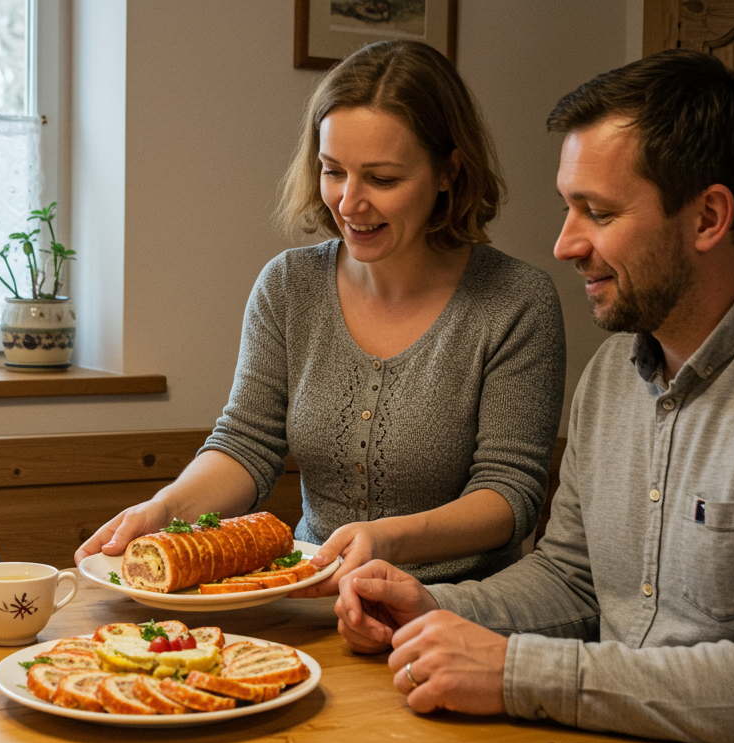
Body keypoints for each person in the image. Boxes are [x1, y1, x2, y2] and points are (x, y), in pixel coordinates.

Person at [334, 48, 734, 743]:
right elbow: (571, 580)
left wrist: (518, 672)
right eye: (569, 207)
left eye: (598, 211)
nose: (565, 243)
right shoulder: (613, 376)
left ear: (709, 217)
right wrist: (435, 609)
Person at [74, 40, 565, 593]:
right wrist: (166, 509)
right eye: (334, 172)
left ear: (449, 171)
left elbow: (509, 493)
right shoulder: (289, 285)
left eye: (382, 179)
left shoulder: (515, 302)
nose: (349, 202)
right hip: (314, 595)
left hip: (458, 609)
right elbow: (246, 445)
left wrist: (387, 539)